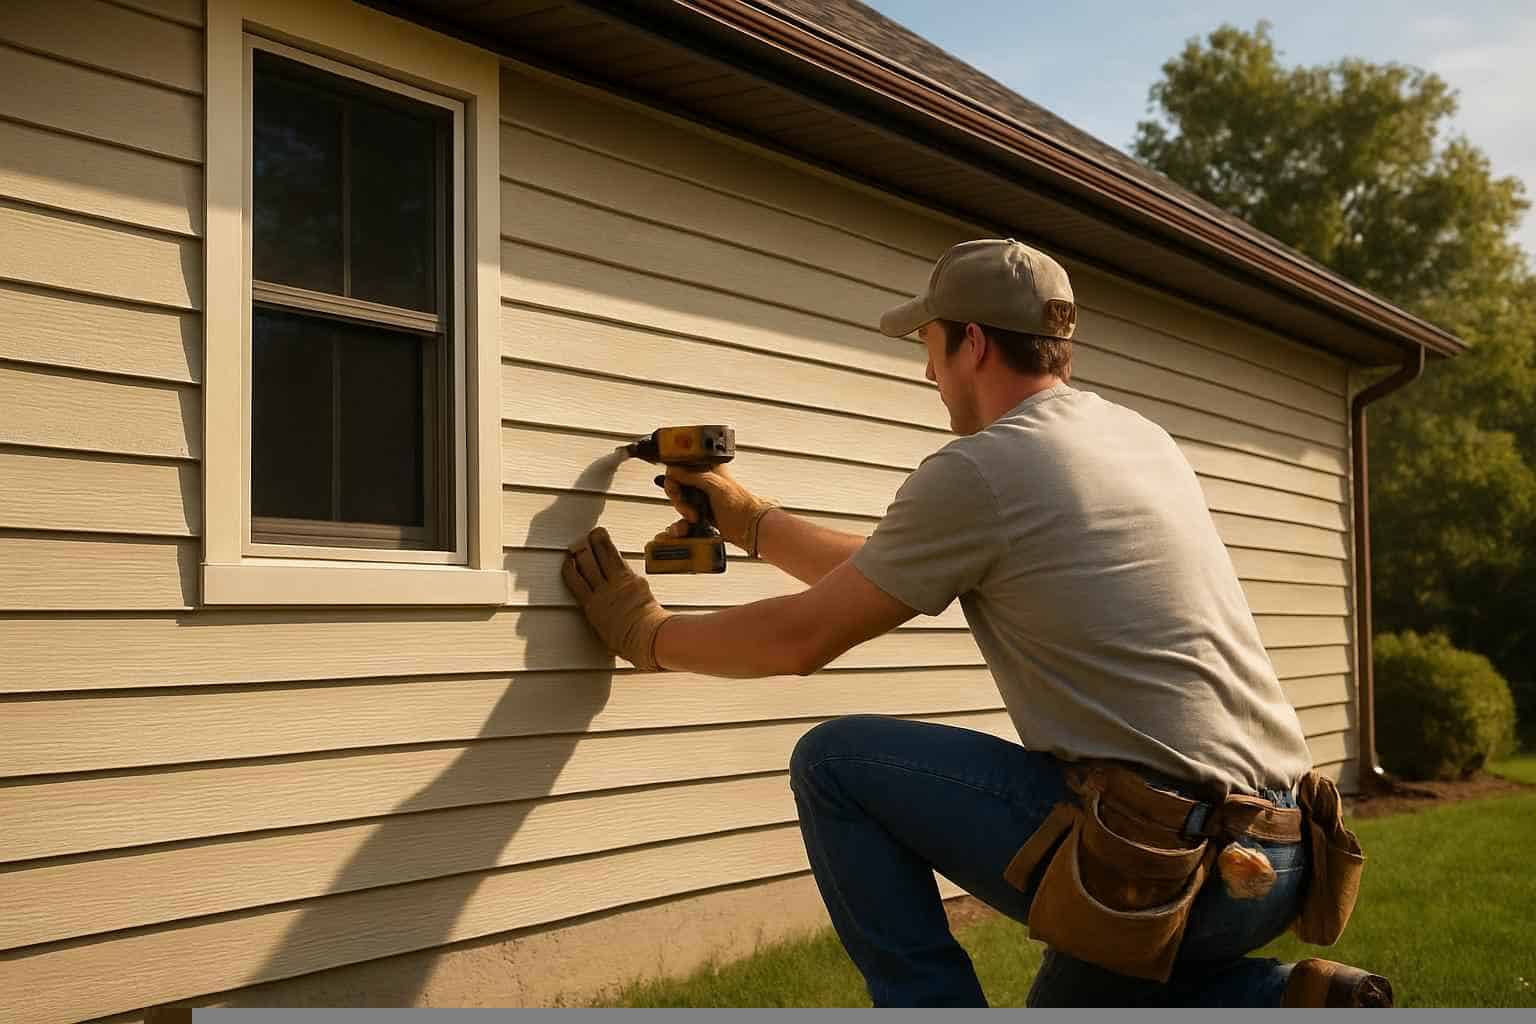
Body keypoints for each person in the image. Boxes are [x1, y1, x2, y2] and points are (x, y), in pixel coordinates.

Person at [561, 238, 1385, 1007]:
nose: (928, 372)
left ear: (975, 344)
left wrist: (648, 635)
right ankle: (1285, 999)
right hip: (1282, 854)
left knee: (834, 763)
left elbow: (800, 639)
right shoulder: (1134, 438)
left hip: (1168, 859)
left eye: (929, 343)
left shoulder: (985, 469)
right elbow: (887, 572)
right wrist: (751, 522)